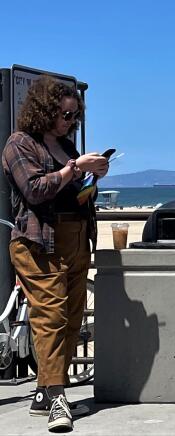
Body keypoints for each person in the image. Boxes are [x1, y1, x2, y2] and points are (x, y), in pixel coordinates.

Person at [3, 76, 109, 433]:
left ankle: (44, 390)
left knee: (72, 317)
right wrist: (75, 169)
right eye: (64, 113)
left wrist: (92, 179)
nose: (68, 120)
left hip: (76, 238)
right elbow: (34, 191)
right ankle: (58, 396)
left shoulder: (65, 145)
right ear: (45, 110)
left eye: (73, 115)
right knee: (50, 315)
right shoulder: (20, 144)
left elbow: (75, 191)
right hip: (39, 242)